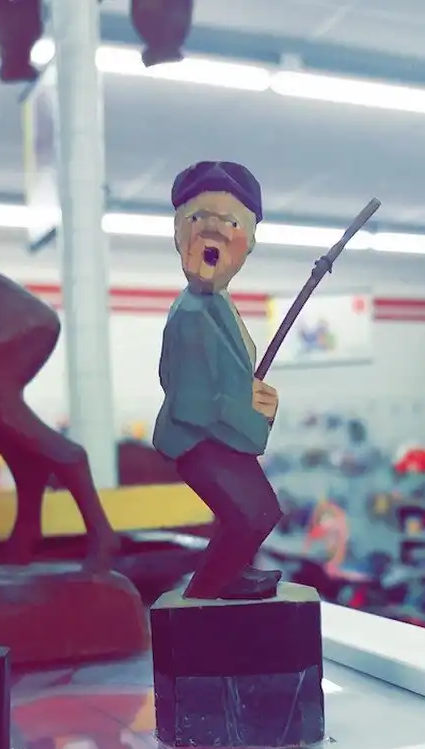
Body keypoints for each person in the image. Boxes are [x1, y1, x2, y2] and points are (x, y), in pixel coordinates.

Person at [152, 160, 282, 601]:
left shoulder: (219, 303)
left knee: (261, 512)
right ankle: (208, 588)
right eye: (198, 219)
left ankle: (230, 574)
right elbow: (193, 404)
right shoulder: (191, 313)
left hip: (222, 436)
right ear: (179, 235)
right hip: (200, 442)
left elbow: (231, 377)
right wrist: (253, 421)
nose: (214, 234)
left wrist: (258, 402)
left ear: (249, 243)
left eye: (231, 223)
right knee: (251, 515)